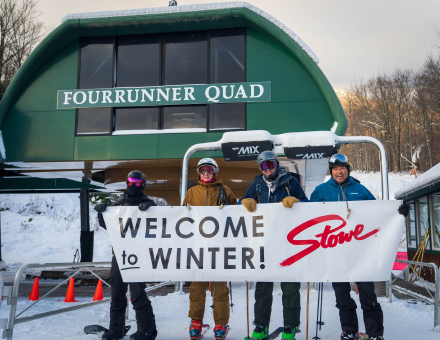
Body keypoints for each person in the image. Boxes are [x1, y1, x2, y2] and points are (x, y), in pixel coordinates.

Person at [309, 154, 409, 340]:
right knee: (342, 298)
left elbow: (379, 212)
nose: (339, 172)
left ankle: (374, 333)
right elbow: (306, 215)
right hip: (335, 252)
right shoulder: (321, 191)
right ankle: (349, 330)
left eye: (343, 168)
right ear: (331, 171)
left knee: (368, 296)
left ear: (348, 169)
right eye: (335, 168)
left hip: (360, 252)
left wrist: (398, 212)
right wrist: (292, 207)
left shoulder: (360, 189)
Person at [241, 150, 308, 340]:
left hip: (288, 245)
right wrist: (244, 201)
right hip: (265, 245)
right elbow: (242, 205)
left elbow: (307, 204)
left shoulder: (290, 182)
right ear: (260, 168)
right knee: (262, 288)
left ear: (277, 165)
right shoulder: (257, 184)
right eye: (263, 166)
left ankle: (290, 327)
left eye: (270, 165)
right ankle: (261, 327)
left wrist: (298, 202)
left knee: (290, 289)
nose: (268, 169)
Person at [94, 170, 157, 340]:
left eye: (137, 182)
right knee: (117, 292)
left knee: (137, 292)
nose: (133, 185)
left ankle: (147, 329)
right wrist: (103, 213)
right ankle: (116, 329)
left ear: (143, 184)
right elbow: (110, 225)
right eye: (130, 181)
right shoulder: (119, 205)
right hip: (120, 254)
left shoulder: (148, 203)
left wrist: (151, 210)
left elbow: (160, 224)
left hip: (139, 255)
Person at [183, 158, 237, 340]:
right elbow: (182, 218)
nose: (205, 172)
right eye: (202, 169)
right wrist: (185, 210)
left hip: (219, 247)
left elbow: (237, 217)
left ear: (215, 172)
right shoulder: (191, 192)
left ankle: (220, 324)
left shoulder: (225, 190)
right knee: (197, 288)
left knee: (219, 288)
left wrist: (229, 210)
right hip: (198, 247)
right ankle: (196, 322)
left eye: (209, 169)